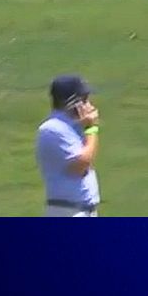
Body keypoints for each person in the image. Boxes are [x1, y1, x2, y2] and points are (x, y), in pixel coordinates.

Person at [35, 74, 102, 216]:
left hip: (82, 211)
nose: (89, 105)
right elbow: (81, 164)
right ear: (72, 102)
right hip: (68, 212)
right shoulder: (53, 129)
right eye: (85, 100)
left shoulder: (73, 127)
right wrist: (91, 129)